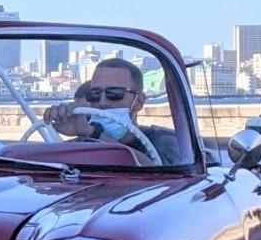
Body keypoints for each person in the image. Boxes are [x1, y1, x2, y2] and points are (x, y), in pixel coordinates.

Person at [43, 57, 184, 164]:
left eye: (114, 94)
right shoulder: (81, 146)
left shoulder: (165, 140)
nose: (102, 102)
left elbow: (160, 174)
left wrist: (92, 133)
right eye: (95, 94)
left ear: (138, 102)